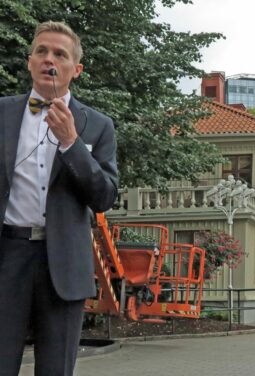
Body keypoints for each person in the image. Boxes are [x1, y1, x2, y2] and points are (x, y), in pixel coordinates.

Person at [0, 21, 118, 375]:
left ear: (75, 69)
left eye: (59, 54)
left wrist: (71, 142)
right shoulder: (2, 113)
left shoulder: (97, 125)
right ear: (30, 61)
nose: (49, 59)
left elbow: (105, 196)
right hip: (8, 256)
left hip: (63, 264)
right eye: (41, 51)